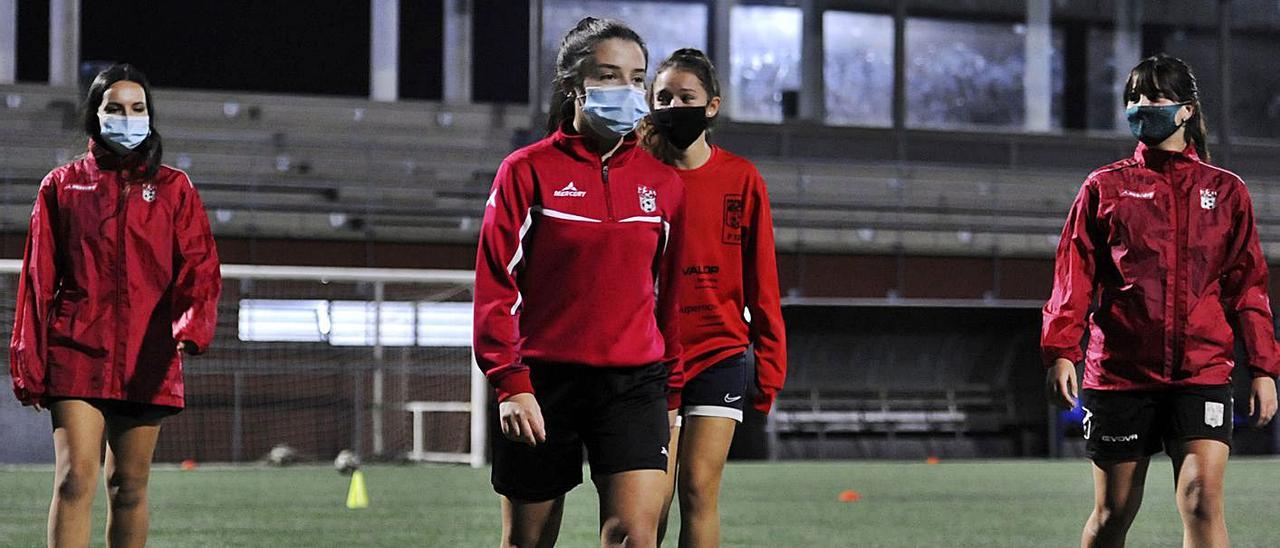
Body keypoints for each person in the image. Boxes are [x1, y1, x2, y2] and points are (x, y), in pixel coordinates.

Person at [1042, 54, 1278, 548]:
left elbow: (1248, 287)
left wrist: (1263, 368)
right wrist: (1062, 349)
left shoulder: (1225, 191)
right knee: (1113, 514)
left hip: (1202, 373)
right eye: (1133, 97)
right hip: (1120, 375)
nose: (1140, 106)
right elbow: (1074, 275)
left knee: (1201, 500)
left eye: (1153, 97)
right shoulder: (1104, 187)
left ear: (1187, 110)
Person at [472, 17, 686, 548]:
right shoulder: (526, 171)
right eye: (610, 76)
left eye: (637, 79)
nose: (629, 90)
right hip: (543, 384)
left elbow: (670, 297)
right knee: (528, 542)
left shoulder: (663, 184)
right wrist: (510, 384)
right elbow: (495, 285)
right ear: (574, 85)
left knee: (635, 536)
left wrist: (674, 386)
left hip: (635, 383)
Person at [9, 63, 222, 548]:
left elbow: (200, 266)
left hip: (147, 356)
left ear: (150, 115)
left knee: (128, 487)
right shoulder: (61, 186)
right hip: (76, 349)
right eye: (115, 108)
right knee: (74, 479)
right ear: (95, 115)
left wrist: (191, 325)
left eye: (137, 108)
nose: (127, 117)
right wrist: (30, 357)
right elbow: (38, 277)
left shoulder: (174, 188)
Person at [641, 48, 787, 548]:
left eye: (687, 96)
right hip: (650, 357)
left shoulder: (741, 179)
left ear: (712, 106)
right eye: (664, 96)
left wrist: (769, 369)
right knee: (648, 503)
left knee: (700, 492)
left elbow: (763, 281)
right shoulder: (635, 174)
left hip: (720, 353)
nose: (674, 104)